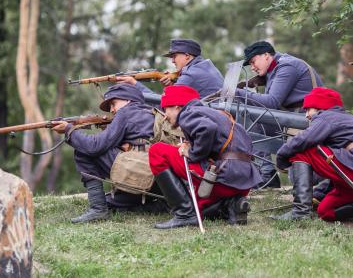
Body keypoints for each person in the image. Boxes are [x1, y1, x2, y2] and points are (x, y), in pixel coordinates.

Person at [148, 85, 262, 229]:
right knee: (201, 207)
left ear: (177, 107)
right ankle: (232, 204)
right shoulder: (216, 113)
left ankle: (185, 214)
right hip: (242, 182)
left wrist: (192, 153)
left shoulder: (188, 113)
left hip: (222, 178)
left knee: (157, 150)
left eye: (166, 109)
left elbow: (207, 129)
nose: (164, 115)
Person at [52, 83, 158, 223]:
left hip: (142, 171)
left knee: (84, 151)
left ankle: (97, 210)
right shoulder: (150, 111)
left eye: (113, 104)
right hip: (157, 178)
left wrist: (69, 130)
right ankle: (155, 206)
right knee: (110, 201)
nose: (112, 110)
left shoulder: (126, 112)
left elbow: (94, 147)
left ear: (128, 99)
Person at [236, 41, 324, 188]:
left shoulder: (286, 66)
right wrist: (259, 80)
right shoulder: (277, 66)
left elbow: (272, 102)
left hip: (310, 120)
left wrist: (239, 92)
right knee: (249, 119)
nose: (252, 67)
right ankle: (266, 175)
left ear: (266, 55)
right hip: (296, 118)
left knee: (297, 177)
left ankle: (268, 176)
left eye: (253, 61)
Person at [273, 87, 353, 221]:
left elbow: (304, 139)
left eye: (308, 109)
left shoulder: (326, 117)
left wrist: (281, 157)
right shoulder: (344, 117)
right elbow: (338, 166)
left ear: (320, 106)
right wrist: (318, 194)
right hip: (348, 172)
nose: (306, 115)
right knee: (325, 211)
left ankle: (300, 213)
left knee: (302, 151)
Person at [118, 38, 224, 98]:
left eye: (174, 56)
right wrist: (171, 86)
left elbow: (163, 104)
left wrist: (134, 84)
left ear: (187, 56)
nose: (172, 61)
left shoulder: (190, 74)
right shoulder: (205, 67)